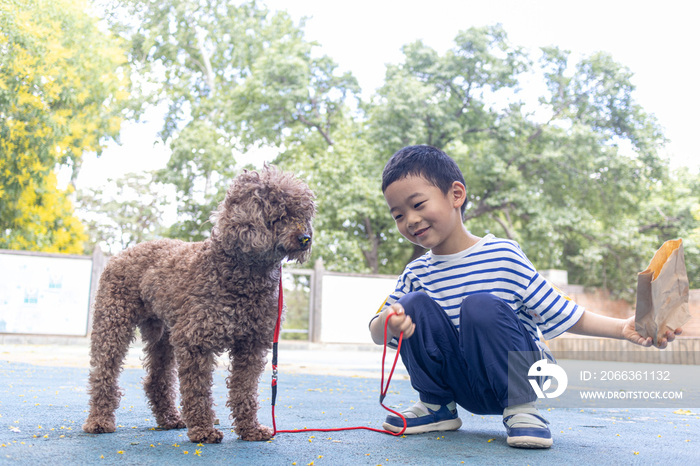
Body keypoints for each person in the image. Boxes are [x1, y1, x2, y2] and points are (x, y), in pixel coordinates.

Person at [369, 144, 682, 449]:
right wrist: (388, 323)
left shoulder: (502, 255)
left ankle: (521, 408)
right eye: (398, 215)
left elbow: (561, 309)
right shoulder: (416, 272)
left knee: (479, 305)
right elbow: (376, 328)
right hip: (462, 383)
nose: (409, 220)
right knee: (408, 305)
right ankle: (437, 407)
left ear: (456, 195)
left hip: (517, 374)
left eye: (418, 204)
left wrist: (623, 328)